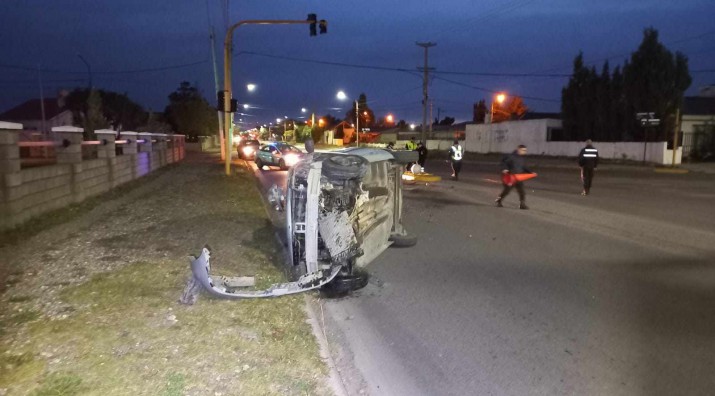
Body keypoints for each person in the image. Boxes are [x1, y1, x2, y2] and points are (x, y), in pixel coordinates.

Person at [495, 144, 532, 210]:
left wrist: (530, 172)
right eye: (523, 150)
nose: (525, 152)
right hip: (510, 177)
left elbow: (524, 167)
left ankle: (522, 204)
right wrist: (505, 169)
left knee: (522, 191)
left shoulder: (522, 158)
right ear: (518, 149)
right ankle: (498, 200)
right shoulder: (511, 156)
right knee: (506, 191)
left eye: (525, 150)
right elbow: (503, 163)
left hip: (519, 177)